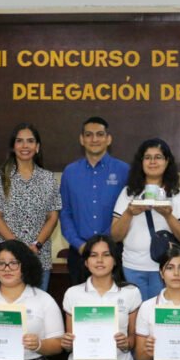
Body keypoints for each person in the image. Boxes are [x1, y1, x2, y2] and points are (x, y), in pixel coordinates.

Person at [111, 138, 180, 302]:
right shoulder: (128, 193)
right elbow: (115, 236)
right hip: (132, 266)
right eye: (147, 157)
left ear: (167, 161)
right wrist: (129, 212)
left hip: (166, 268)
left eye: (158, 157)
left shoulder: (177, 195)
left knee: (160, 313)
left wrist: (168, 215)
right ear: (141, 162)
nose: (153, 162)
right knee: (136, 313)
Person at [0, 123, 61, 291]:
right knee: (5, 305)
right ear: (13, 147)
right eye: (19, 141)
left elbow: (53, 217)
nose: (25, 146)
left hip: (38, 257)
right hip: (6, 258)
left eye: (30, 141)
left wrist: (37, 245)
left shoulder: (48, 178)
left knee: (36, 305)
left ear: (37, 147)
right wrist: (18, 248)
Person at [59, 116, 130, 284]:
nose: (94, 139)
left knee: (116, 300)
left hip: (114, 252)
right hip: (80, 253)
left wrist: (104, 245)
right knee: (80, 299)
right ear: (82, 139)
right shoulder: (70, 172)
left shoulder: (124, 170)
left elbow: (128, 213)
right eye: (89, 135)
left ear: (108, 139)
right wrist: (80, 245)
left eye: (100, 134)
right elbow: (65, 213)